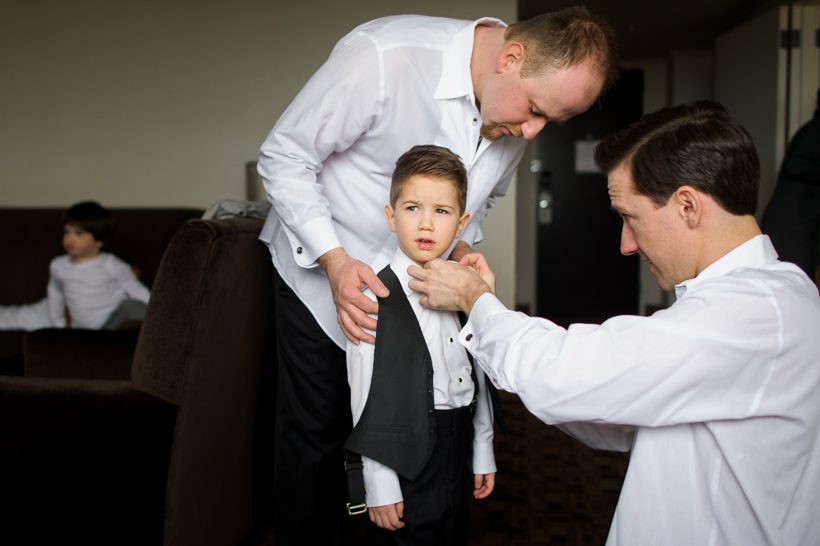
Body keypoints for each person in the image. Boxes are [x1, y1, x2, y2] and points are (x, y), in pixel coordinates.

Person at [256, 7, 618, 545]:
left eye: (550, 123)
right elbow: (284, 156)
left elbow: (484, 199)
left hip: (419, 301)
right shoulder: (386, 57)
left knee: (410, 440)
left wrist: (465, 246)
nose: (532, 131)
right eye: (534, 110)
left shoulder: (512, 116)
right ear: (511, 58)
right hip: (322, 275)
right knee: (321, 438)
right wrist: (334, 261)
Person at [408, 101, 820, 545]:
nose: (625, 245)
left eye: (630, 217)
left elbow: (564, 373)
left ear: (687, 206)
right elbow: (612, 407)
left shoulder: (750, 314)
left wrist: (475, 300)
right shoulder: (780, 292)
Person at [344, 145, 495, 544]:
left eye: (441, 212)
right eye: (412, 208)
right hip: (404, 457)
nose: (426, 225)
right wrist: (379, 480)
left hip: (457, 444)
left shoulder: (468, 289)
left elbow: (477, 374)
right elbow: (365, 398)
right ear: (391, 217)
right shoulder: (372, 297)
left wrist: (482, 449)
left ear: (461, 224)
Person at [0, 201, 150, 331]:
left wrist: (156, 308)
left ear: (99, 241)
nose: (69, 239)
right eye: (67, 233)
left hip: (110, 320)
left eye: (78, 233)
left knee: (133, 306)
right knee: (24, 316)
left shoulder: (110, 264)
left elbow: (136, 289)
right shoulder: (58, 266)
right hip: (77, 325)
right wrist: (58, 326)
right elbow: (55, 294)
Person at [762, 88, 820, 287]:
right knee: (792, 283)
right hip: (790, 221)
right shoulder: (815, 130)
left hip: (802, 222)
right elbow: (795, 165)